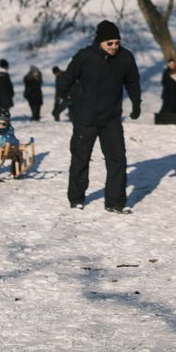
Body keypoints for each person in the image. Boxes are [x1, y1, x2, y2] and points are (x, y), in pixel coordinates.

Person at [57, 20, 142, 212]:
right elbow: (67, 77)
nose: (114, 47)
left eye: (116, 43)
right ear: (100, 42)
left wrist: (136, 103)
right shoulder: (85, 56)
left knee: (117, 159)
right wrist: (67, 96)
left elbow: (133, 82)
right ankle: (76, 198)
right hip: (85, 118)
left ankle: (115, 202)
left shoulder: (125, 58)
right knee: (81, 158)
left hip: (111, 118)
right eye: (109, 43)